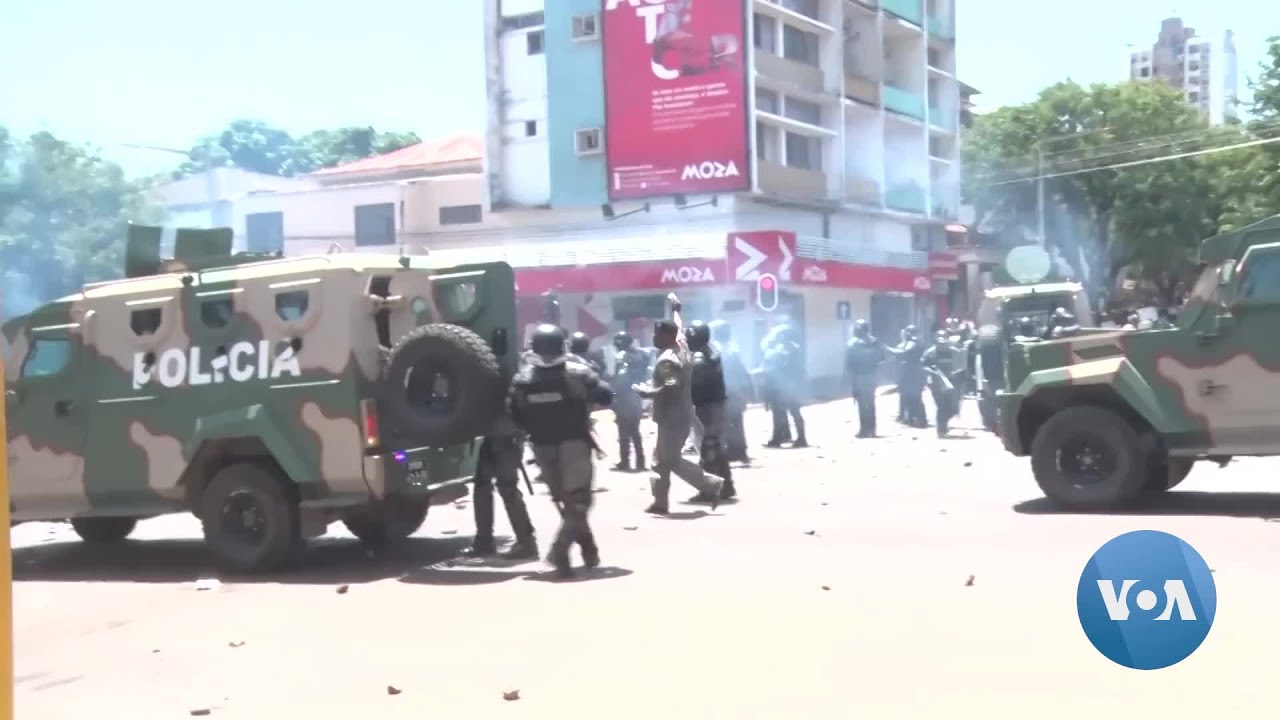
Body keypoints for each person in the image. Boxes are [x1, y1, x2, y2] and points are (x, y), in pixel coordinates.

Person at [508, 324, 614, 578]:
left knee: (568, 503)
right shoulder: (578, 372)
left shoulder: (522, 380)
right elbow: (606, 395)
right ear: (561, 346)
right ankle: (560, 549)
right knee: (580, 501)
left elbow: (514, 414)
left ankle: (588, 548)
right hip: (574, 444)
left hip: (542, 448)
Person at [633, 294, 725, 515]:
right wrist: (675, 309)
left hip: (671, 417)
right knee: (659, 460)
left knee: (670, 460)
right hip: (680, 413)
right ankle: (660, 502)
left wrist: (648, 392)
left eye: (657, 334)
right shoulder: (681, 345)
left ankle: (711, 484)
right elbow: (679, 327)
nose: (653, 337)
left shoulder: (667, 360)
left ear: (665, 336)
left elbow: (670, 385)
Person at [467, 405, 539, 559]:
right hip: (490, 437)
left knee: (508, 489)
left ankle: (526, 542)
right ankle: (484, 542)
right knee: (482, 489)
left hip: (507, 438)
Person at [686, 320, 736, 500]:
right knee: (716, 446)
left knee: (708, 447)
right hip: (716, 405)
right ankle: (726, 486)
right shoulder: (711, 350)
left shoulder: (699, 356)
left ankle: (710, 489)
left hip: (707, 407)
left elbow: (696, 380)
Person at [709, 320, 751, 464]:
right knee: (737, 422)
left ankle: (729, 452)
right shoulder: (734, 349)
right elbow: (743, 372)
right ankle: (740, 452)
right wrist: (748, 391)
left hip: (722, 392)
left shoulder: (714, 350)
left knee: (722, 423)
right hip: (736, 391)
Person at [609, 330, 649, 472]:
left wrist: (614, 395)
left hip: (625, 396)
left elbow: (621, 378)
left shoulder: (622, 356)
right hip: (637, 395)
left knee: (623, 431)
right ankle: (641, 461)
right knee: (635, 431)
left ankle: (624, 461)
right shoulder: (641, 355)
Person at [761, 326, 807, 448]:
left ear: (782, 336)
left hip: (784, 386)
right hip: (793, 384)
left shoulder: (783, 349)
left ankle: (777, 439)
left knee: (779, 412)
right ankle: (801, 438)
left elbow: (779, 367)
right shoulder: (795, 347)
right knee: (794, 412)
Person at [843, 319, 885, 439]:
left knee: (861, 404)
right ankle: (872, 430)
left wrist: (847, 379)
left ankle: (864, 430)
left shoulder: (852, 343)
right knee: (871, 403)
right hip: (872, 376)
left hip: (859, 377)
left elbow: (849, 363)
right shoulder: (875, 342)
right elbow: (882, 358)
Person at [922, 330, 961, 438]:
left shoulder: (954, 352)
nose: (942, 344)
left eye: (944, 342)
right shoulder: (930, 353)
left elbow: (961, 365)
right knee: (941, 406)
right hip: (937, 384)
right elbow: (923, 366)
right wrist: (933, 372)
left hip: (952, 383)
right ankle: (941, 430)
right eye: (940, 342)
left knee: (953, 409)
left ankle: (943, 424)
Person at [888, 325, 927, 428]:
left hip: (914, 374)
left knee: (915, 397)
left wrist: (887, 348)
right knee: (907, 397)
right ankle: (909, 418)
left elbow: (903, 353)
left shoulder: (916, 343)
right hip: (906, 374)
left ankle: (920, 419)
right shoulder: (907, 343)